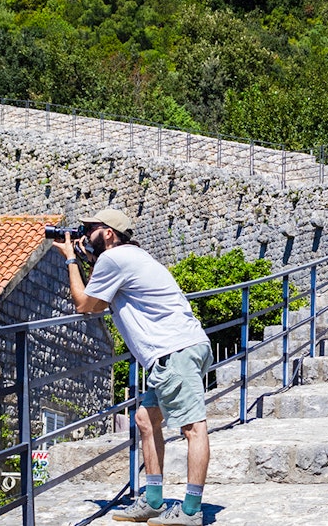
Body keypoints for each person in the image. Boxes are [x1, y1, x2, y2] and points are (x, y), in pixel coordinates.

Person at [53, 208, 212, 526]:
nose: (85, 235)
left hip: (174, 351)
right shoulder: (127, 257)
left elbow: (84, 304)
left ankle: (191, 510)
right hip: (176, 350)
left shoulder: (114, 259)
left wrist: (71, 259)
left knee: (193, 428)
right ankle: (153, 501)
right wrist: (88, 258)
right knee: (145, 419)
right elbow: (99, 302)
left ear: (108, 233)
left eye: (90, 229)